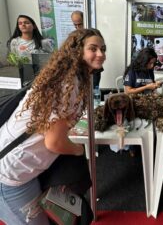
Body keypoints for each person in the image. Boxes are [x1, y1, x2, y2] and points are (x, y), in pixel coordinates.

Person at [0, 28, 106, 224]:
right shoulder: (68, 83)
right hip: (12, 173)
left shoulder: (73, 78)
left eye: (103, 49)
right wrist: (77, 150)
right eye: (93, 48)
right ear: (77, 51)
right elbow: (54, 142)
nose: (101, 54)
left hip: (24, 170)